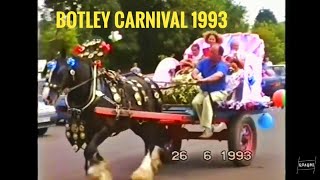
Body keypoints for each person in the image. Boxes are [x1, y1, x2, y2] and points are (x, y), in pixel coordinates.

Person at [191, 44, 229, 138]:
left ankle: (207, 129)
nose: (210, 53)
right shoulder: (204, 62)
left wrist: (204, 80)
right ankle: (207, 125)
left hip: (219, 92)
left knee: (208, 100)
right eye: (210, 51)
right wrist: (196, 77)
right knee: (195, 102)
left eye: (212, 52)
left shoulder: (222, 65)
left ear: (219, 55)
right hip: (204, 91)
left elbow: (218, 76)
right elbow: (194, 71)